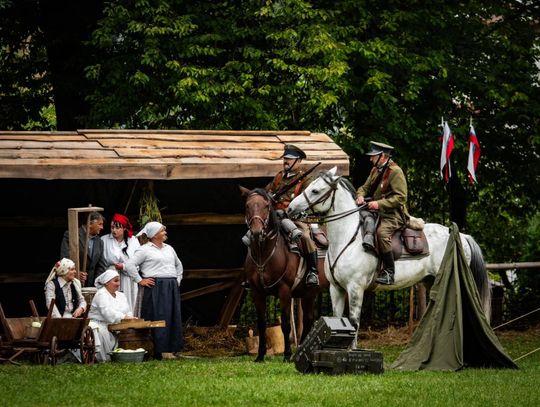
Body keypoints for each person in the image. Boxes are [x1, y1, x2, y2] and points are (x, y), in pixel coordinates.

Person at [122, 221, 184, 360]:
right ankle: (157, 350)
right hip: (155, 286)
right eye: (162, 231)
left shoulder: (169, 248)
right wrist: (139, 280)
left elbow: (178, 266)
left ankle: (171, 349)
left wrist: (176, 280)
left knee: (172, 315)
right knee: (158, 316)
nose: (165, 233)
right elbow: (130, 265)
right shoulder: (144, 249)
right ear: (154, 235)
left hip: (170, 286)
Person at [265, 144, 319, 287]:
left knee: (306, 237)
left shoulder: (306, 179)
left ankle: (313, 272)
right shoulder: (279, 176)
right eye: (285, 159)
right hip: (275, 216)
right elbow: (268, 192)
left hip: (296, 218)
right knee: (256, 233)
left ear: (299, 161)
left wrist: (287, 210)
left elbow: (306, 202)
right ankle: (251, 272)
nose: (285, 162)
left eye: (289, 159)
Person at [355, 141, 409, 285]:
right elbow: (364, 188)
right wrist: (360, 195)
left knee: (382, 234)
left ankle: (389, 272)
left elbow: (401, 197)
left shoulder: (395, 171)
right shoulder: (375, 170)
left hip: (393, 214)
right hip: (374, 211)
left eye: (373, 156)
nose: (370, 159)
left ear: (382, 156)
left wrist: (379, 204)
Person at [89, 268, 136, 362]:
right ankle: (104, 358)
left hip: (117, 324)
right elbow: (107, 313)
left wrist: (130, 318)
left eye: (119, 281)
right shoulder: (101, 294)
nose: (118, 284)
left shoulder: (121, 295)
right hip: (100, 323)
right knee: (102, 332)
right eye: (115, 281)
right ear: (106, 282)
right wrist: (124, 317)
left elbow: (128, 310)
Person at [100, 213, 141, 315]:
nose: (114, 230)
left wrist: (124, 266)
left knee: (129, 302)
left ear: (124, 229)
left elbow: (138, 262)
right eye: (112, 227)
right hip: (110, 277)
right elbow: (99, 262)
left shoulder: (133, 241)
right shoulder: (104, 240)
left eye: (117, 228)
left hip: (128, 278)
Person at [60, 211, 106, 287]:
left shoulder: (99, 241)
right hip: (72, 283)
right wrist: (76, 273)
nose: (102, 227)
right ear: (90, 224)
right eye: (100, 224)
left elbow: (101, 265)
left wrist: (96, 283)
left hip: (91, 285)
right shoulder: (71, 235)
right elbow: (64, 259)